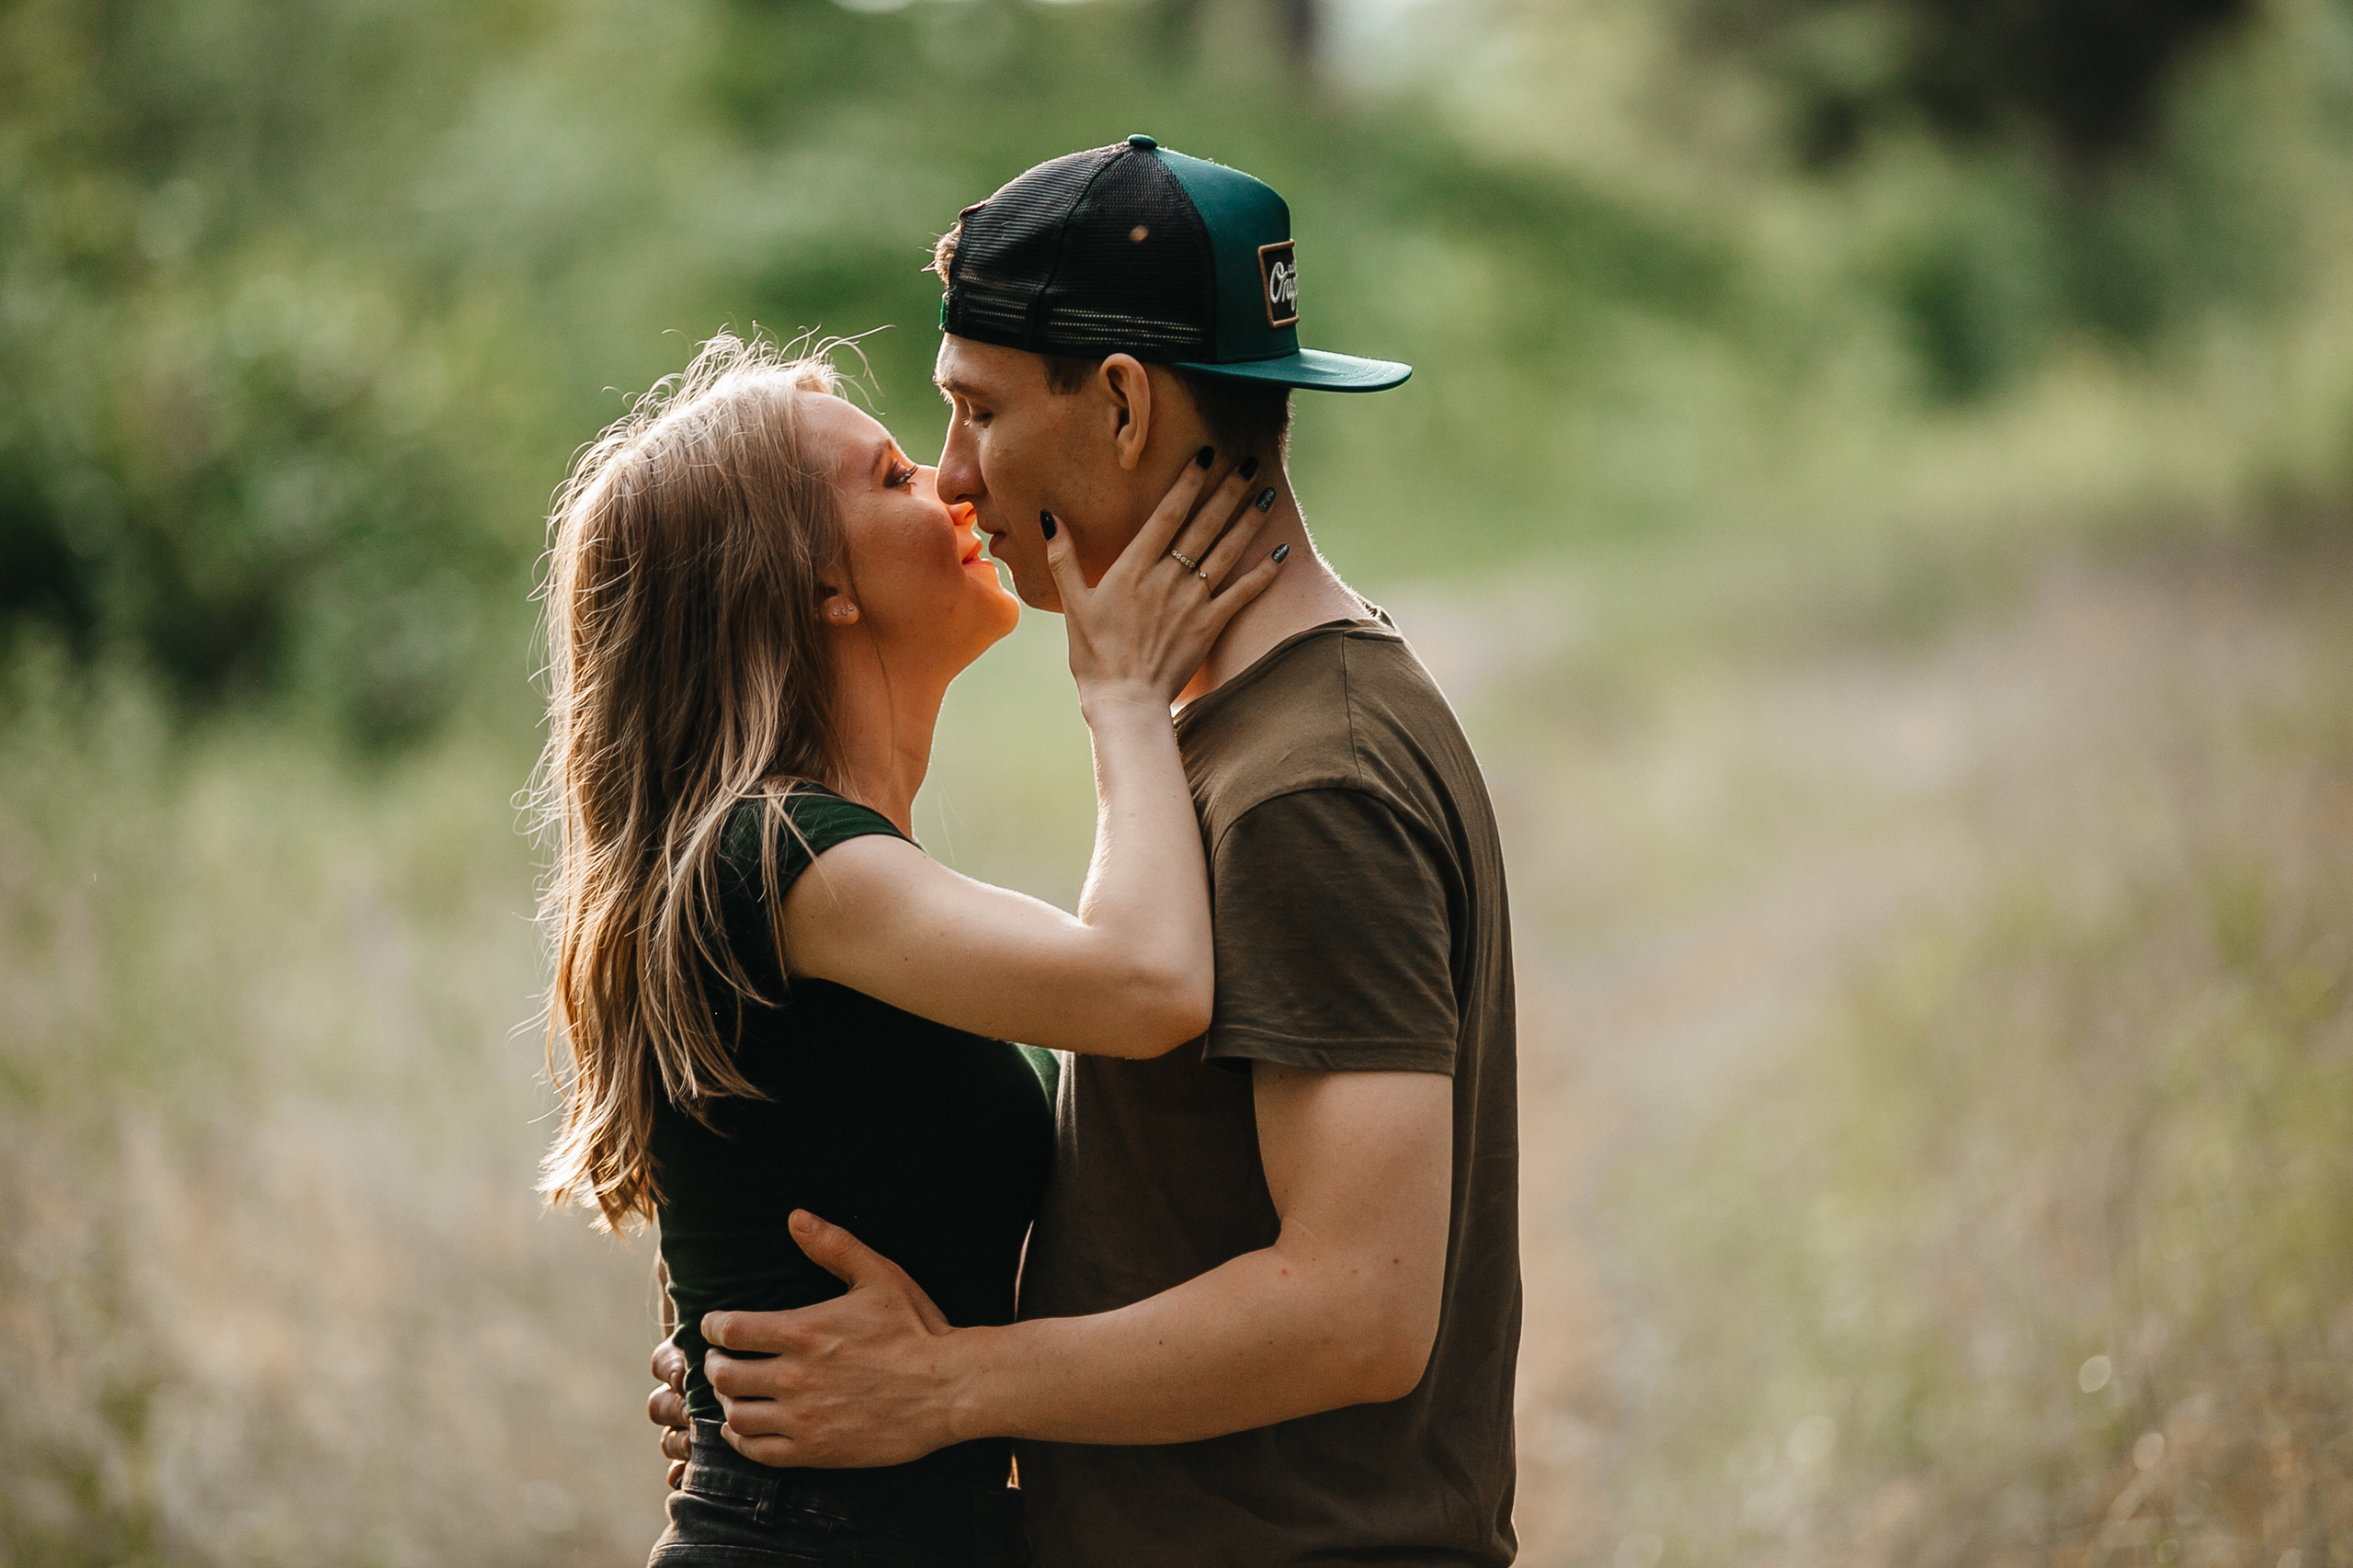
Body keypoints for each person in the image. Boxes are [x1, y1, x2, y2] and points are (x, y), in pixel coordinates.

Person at [650, 137, 1523, 1566]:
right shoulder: (1235, 737)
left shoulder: (1313, 775)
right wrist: (783, 1396)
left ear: (1123, 407)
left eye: (975, 411)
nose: (952, 478)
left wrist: (942, 1389)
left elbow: (1359, 1302)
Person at [533, 330, 1287, 1566]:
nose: (949, 488)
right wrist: (1122, 697)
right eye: (889, 479)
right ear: (817, 583)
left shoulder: (809, 868)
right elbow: (1149, 981)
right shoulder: (774, 857)